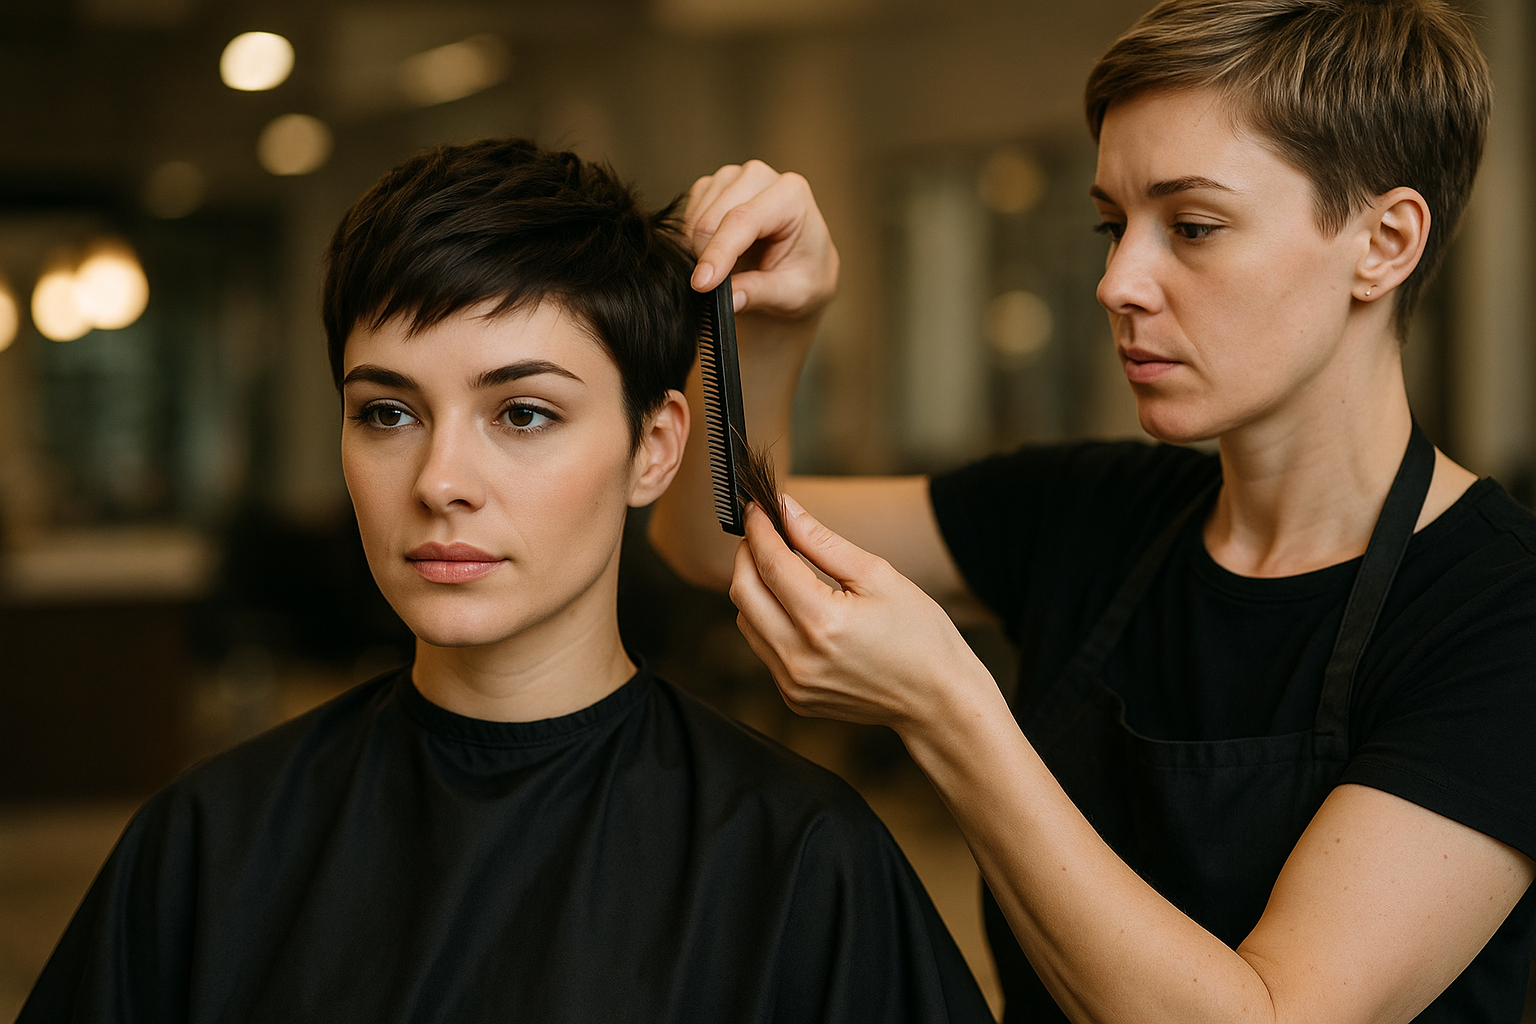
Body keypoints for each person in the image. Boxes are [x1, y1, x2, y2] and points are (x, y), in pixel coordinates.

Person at [649, 1, 1536, 1021]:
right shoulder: (1090, 511)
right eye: (1113, 225)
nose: (1118, 282)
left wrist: (947, 706)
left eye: (1192, 227)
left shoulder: (1500, 613)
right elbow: (715, 542)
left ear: (1384, 241)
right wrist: (766, 323)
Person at [19, 139, 994, 1024]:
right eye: (388, 413)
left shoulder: (798, 860)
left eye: (523, 413)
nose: (440, 482)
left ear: (655, 448)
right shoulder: (208, 845)